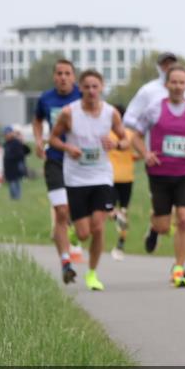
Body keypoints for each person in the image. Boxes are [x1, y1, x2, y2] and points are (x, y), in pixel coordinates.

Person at [128, 63, 185, 287]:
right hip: (159, 173)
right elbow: (135, 136)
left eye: (181, 82)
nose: (177, 86)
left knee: (184, 218)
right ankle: (155, 228)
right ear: (166, 85)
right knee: (165, 226)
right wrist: (145, 153)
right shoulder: (154, 109)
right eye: (173, 82)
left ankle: (179, 268)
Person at [49, 69, 125, 291]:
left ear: (101, 88)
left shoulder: (111, 113)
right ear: (79, 88)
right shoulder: (68, 113)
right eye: (87, 87)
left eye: (95, 86)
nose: (91, 91)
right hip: (76, 178)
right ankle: (74, 231)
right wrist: (67, 147)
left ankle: (92, 274)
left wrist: (116, 145)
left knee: (98, 227)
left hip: (102, 176)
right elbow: (52, 138)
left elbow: (125, 140)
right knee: (83, 234)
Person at [33, 59, 85, 283]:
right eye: (59, 73)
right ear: (54, 77)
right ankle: (65, 261)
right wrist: (37, 140)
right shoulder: (45, 99)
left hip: (80, 163)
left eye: (67, 73)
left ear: (74, 77)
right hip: (54, 161)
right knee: (61, 211)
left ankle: (73, 230)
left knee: (80, 221)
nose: (63, 77)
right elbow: (36, 120)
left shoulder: (82, 97)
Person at [107, 104, 139, 261]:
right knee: (124, 210)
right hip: (128, 178)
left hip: (111, 177)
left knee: (109, 209)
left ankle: (115, 215)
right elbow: (137, 155)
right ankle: (120, 244)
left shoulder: (107, 134)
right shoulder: (130, 134)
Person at [2, 126, 31, 201]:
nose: (6, 136)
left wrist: (22, 142)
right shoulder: (6, 144)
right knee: (11, 183)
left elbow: (25, 152)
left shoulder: (17, 142)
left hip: (16, 167)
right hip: (8, 168)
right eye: (5, 134)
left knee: (15, 183)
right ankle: (14, 199)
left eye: (7, 134)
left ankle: (17, 198)